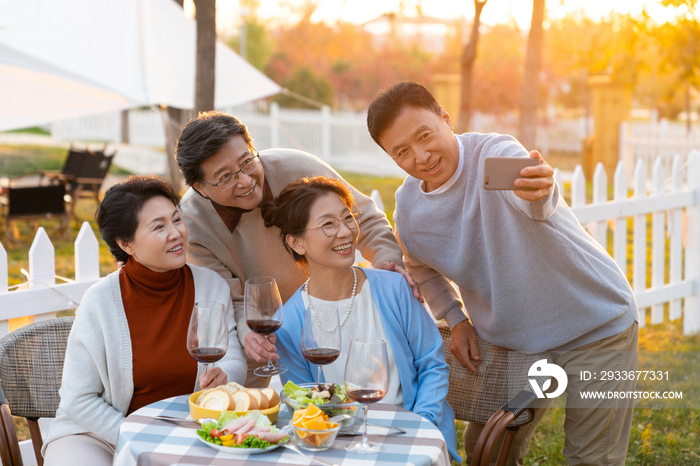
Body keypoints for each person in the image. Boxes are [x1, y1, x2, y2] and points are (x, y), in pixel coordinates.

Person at [366, 82, 639, 466]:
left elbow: (535, 200)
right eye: (402, 152)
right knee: (489, 451)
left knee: (594, 458)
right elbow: (419, 267)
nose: (422, 156)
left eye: (424, 136)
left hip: (596, 323)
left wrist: (538, 191)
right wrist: (457, 318)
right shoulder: (410, 211)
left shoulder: (496, 154)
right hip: (517, 342)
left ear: (446, 118)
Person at [175, 111, 418, 388]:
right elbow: (229, 299)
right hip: (264, 345)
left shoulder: (296, 168)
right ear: (200, 187)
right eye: (226, 177)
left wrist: (388, 261)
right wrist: (248, 333)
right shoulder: (193, 223)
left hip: (326, 315)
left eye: (246, 162)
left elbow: (364, 217)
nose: (244, 180)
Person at [42, 176, 246, 466]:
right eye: (159, 226)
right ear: (126, 243)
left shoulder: (211, 286)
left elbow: (234, 359)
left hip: (191, 431)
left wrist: (226, 375)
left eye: (177, 220)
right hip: (99, 434)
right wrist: (135, 437)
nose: (176, 233)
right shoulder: (100, 301)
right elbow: (78, 399)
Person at [261, 176, 460, 461]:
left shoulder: (395, 289)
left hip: (410, 437)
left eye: (348, 218)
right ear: (297, 242)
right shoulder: (289, 322)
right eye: (328, 224)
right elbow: (306, 404)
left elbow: (432, 364)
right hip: (337, 447)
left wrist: (421, 423)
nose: (345, 232)